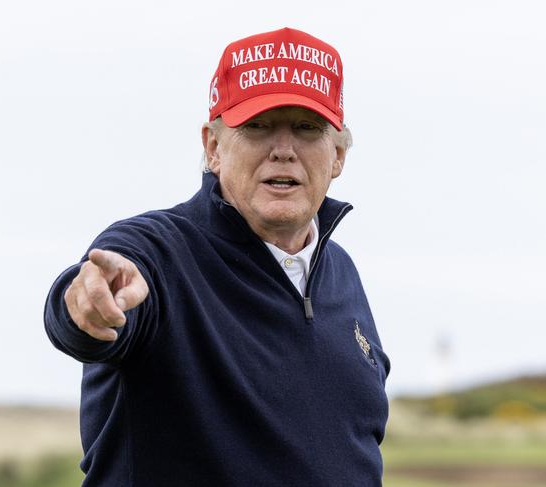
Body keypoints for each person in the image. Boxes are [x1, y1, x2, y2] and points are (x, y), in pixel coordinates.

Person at [44, 27, 390, 486]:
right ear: (213, 147)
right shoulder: (158, 251)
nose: (283, 150)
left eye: (307, 128)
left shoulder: (341, 272)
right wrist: (83, 307)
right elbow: (90, 303)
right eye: (257, 126)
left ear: (338, 155)